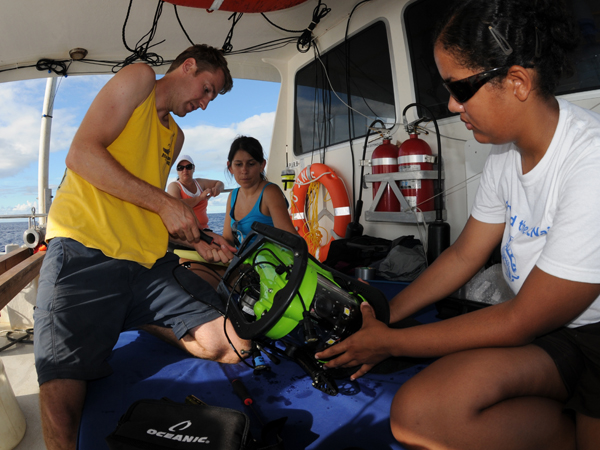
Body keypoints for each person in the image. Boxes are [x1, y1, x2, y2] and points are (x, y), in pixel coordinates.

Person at [316, 1, 600, 449]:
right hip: (554, 338)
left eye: (461, 88)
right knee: (418, 415)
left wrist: (391, 343)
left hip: (590, 338)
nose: (451, 105)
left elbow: (520, 319)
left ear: (517, 82)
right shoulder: (504, 154)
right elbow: (465, 254)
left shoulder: (591, 161)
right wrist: (384, 319)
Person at [34, 44, 248, 450]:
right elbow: (81, 155)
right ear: (187, 66)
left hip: (147, 265)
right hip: (85, 250)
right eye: (206, 89)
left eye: (211, 98)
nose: (204, 103)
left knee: (234, 343)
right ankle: (114, 311)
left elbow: (145, 206)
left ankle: (129, 314)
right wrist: (168, 202)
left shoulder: (176, 135)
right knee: (61, 401)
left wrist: (201, 240)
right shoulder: (140, 79)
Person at [222, 135, 297, 248]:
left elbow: (291, 240)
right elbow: (228, 239)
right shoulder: (233, 196)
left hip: (268, 263)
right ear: (230, 167)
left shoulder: (270, 192)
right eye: (238, 164)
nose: (244, 171)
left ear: (262, 165)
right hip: (240, 263)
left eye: (251, 164)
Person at [167, 154, 224, 230]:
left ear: (193, 169)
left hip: (204, 229)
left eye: (188, 167)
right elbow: (177, 206)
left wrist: (217, 188)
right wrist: (200, 198)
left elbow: (220, 183)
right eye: (180, 168)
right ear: (177, 171)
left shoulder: (200, 182)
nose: (185, 170)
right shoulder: (174, 186)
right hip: (185, 233)